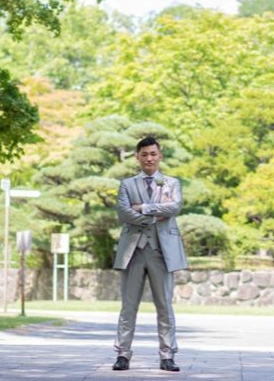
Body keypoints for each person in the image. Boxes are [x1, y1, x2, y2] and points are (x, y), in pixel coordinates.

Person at [112, 136, 187, 372]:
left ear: (160, 156)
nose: (149, 158)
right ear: (137, 157)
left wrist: (143, 208)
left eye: (153, 154)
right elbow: (124, 214)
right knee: (128, 306)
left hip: (161, 252)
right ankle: (123, 354)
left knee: (164, 305)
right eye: (144, 154)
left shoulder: (172, 183)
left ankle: (167, 356)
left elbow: (174, 207)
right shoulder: (127, 184)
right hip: (133, 251)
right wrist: (157, 214)